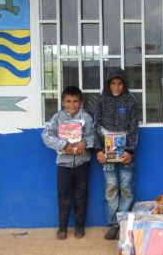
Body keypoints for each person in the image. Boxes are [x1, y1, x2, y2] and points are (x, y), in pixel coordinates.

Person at [41, 85, 97, 240]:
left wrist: (84, 143)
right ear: (62, 102)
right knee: (64, 196)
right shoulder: (58, 118)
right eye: (68, 101)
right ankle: (62, 228)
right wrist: (62, 145)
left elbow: (93, 135)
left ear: (81, 102)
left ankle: (79, 227)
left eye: (75, 101)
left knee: (81, 196)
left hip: (82, 163)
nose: (72, 105)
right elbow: (46, 135)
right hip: (64, 164)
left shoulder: (86, 117)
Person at [93, 68, 141, 240]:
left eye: (120, 83)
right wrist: (98, 149)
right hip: (107, 156)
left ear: (124, 84)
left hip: (126, 155)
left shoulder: (130, 101)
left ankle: (123, 222)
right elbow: (95, 125)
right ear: (108, 84)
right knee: (111, 188)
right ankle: (113, 223)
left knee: (126, 188)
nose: (116, 87)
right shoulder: (101, 101)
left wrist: (129, 150)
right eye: (113, 83)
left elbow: (134, 128)